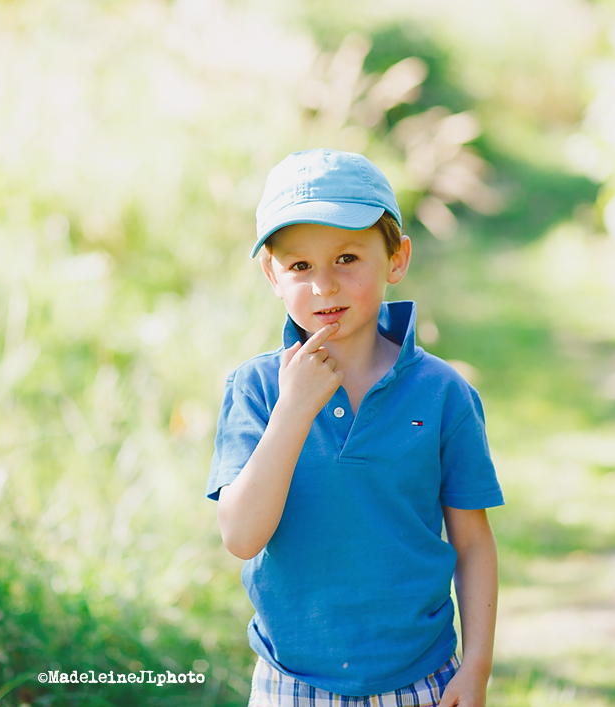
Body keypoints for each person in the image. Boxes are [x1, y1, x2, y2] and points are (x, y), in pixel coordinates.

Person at [206, 149, 504, 706]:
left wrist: (477, 667)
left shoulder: (444, 393)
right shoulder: (257, 389)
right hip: (291, 681)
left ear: (396, 258)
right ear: (272, 275)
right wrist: (293, 411)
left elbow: (471, 542)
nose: (324, 286)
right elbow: (242, 537)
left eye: (346, 258)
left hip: (421, 678)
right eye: (300, 266)